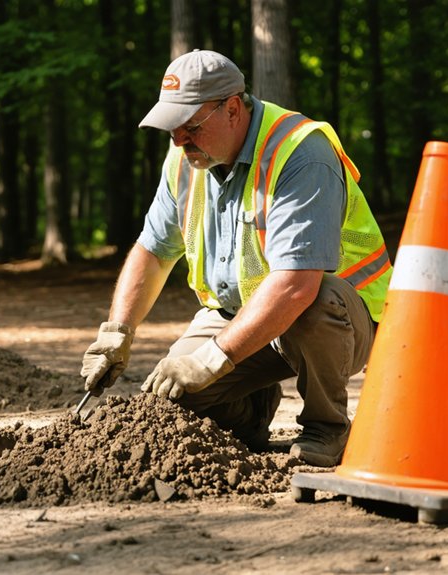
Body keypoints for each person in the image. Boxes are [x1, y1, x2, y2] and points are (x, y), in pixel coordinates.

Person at [80, 50, 392, 467]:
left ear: (231, 109)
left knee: (317, 300)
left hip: (340, 320)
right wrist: (116, 331)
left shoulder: (301, 153)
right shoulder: (185, 159)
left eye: (190, 127)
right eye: (171, 129)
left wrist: (212, 359)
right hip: (239, 314)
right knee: (171, 400)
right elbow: (152, 251)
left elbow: (297, 285)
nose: (178, 141)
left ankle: (326, 428)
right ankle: (252, 409)